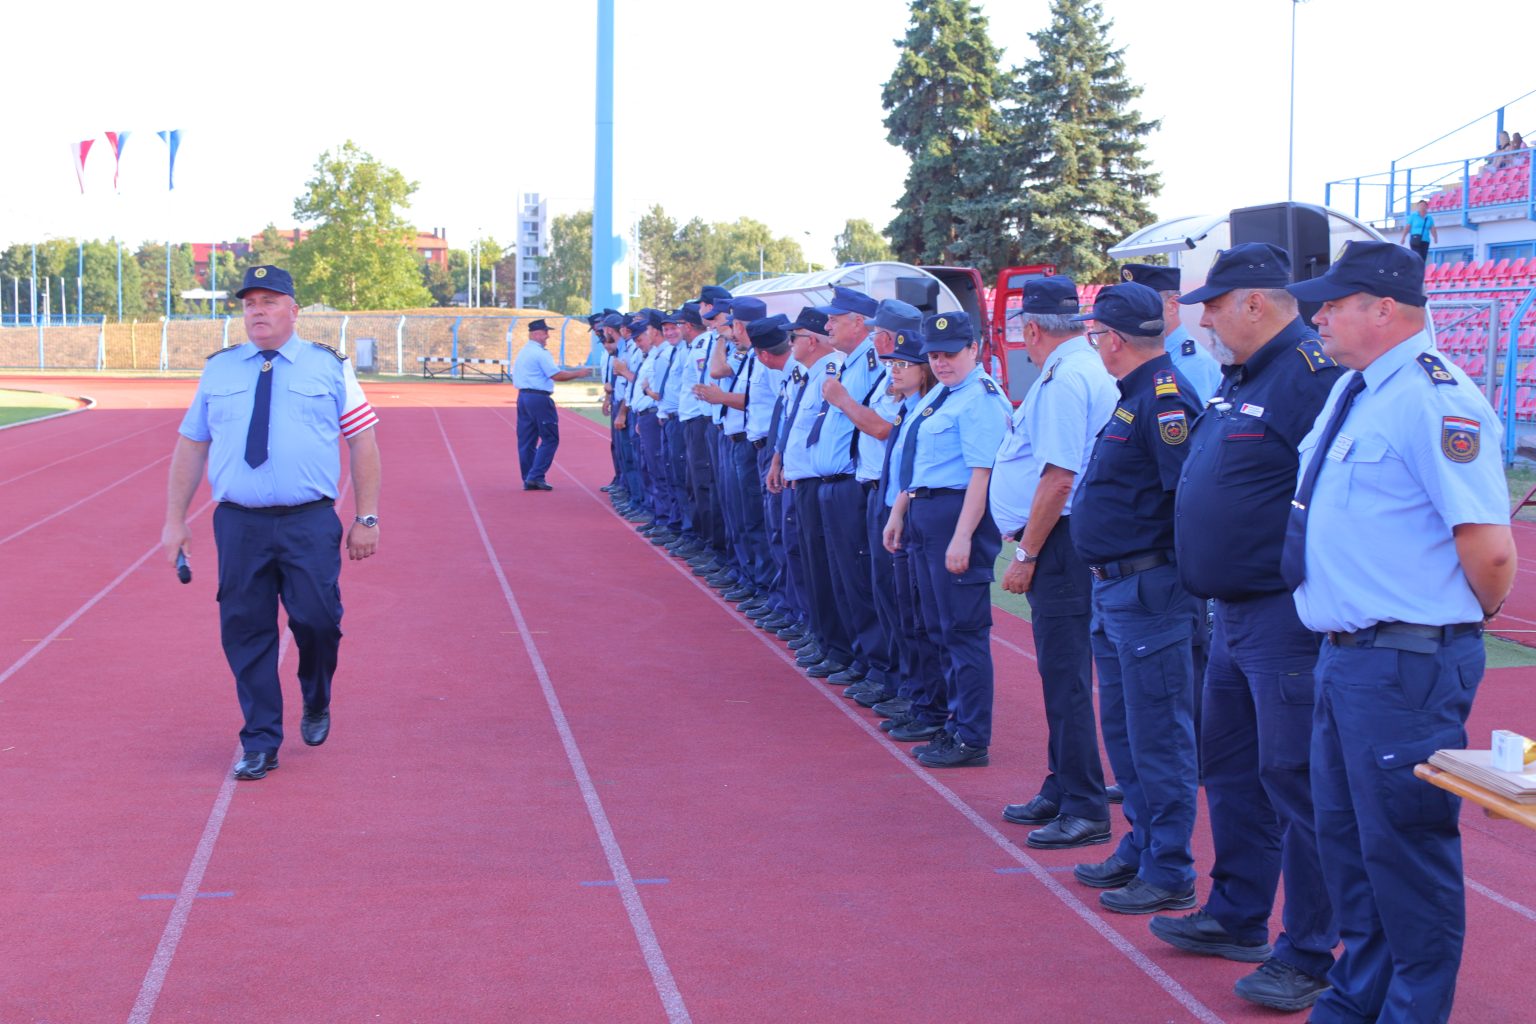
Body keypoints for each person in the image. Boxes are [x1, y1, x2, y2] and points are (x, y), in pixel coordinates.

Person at [1284, 240, 1515, 1024]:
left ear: (1384, 309)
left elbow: (1488, 548)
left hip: (1404, 663)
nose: (1318, 315)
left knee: (1404, 855)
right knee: (1350, 850)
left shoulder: (1432, 397)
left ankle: (1412, 1013)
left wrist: (1447, 623)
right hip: (1347, 658)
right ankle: (1358, 1001)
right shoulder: (1357, 390)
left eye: (1334, 302)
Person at [1157, 243, 1342, 1014]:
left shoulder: (1308, 375)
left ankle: (1309, 950)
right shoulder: (1244, 377)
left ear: (1256, 304)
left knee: (1296, 782)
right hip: (1231, 614)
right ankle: (1236, 913)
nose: (1203, 319)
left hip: (1282, 616)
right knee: (1232, 771)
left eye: (1214, 304)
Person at [161, 265, 381, 781]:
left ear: (293, 309)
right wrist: (175, 521)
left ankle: (316, 692)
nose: (257, 311)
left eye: (269, 301)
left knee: (318, 622)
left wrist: (365, 517)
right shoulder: (219, 370)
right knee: (246, 630)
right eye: (249, 303)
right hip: (239, 525)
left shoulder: (329, 367)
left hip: (308, 521)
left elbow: (362, 442)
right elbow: (192, 445)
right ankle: (260, 740)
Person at [1067, 282, 1204, 914]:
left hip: (1150, 589)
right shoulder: (1137, 396)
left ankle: (1170, 864)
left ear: (1113, 340)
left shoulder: (1165, 398)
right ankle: (1145, 843)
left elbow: (1189, 501)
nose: (1093, 343)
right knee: (1124, 729)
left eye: (1095, 334)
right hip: (1117, 586)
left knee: (1157, 734)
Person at [992, 276, 1119, 849]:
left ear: (1033, 328)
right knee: (1058, 674)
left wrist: (1026, 553)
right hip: (1064, 538)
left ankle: (1086, 805)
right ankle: (1063, 784)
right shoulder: (1071, 369)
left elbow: (1060, 476)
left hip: (1062, 542)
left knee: (1065, 676)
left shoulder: (1067, 378)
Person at [882, 310, 1011, 768]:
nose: (941, 362)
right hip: (926, 511)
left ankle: (971, 736)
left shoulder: (979, 398)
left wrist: (962, 537)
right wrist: (901, 509)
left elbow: (982, 474)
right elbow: (919, 464)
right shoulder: (944, 396)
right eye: (934, 355)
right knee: (937, 627)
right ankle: (953, 724)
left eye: (950, 353)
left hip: (957, 515)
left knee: (963, 632)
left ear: (973, 349)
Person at [1121, 264, 1223, 403]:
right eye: (1128, 305)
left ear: (1172, 305)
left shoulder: (1192, 363)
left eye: (1143, 304)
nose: (1132, 313)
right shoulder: (1141, 354)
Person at [512, 317, 592, 491]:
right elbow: (556, 375)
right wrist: (578, 373)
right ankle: (536, 476)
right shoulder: (540, 353)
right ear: (535, 334)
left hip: (524, 397)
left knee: (527, 440)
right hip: (539, 399)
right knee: (550, 438)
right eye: (544, 332)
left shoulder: (524, 352)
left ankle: (528, 477)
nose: (547, 336)